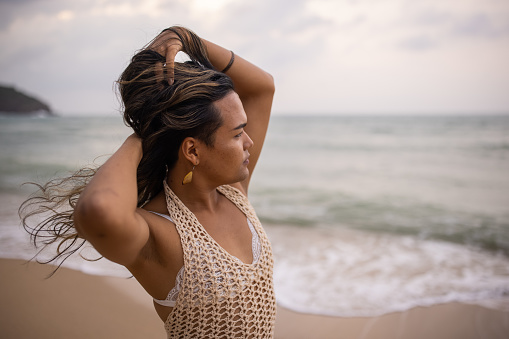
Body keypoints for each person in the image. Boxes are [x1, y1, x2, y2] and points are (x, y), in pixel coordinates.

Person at [20, 26, 276, 338]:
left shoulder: (234, 192)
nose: (249, 141)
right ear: (192, 150)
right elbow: (98, 210)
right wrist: (144, 132)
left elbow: (263, 87)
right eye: (237, 134)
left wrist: (182, 37)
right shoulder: (160, 233)